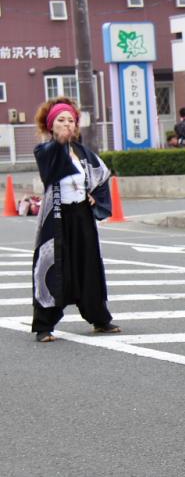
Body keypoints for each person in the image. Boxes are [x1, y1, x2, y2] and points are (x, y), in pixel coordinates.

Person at [31, 97, 120, 342]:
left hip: (81, 214)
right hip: (57, 217)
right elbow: (51, 169)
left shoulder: (82, 152)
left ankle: (99, 318)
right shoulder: (45, 150)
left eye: (71, 120)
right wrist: (59, 143)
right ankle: (44, 325)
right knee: (52, 265)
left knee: (88, 265)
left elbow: (102, 175)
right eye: (61, 120)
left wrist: (93, 196)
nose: (67, 124)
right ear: (50, 125)